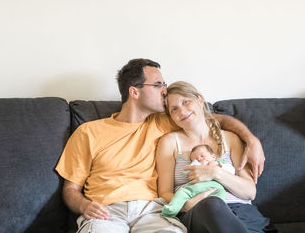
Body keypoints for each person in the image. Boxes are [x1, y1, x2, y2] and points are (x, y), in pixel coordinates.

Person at [55, 59, 265, 233]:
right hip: (107, 212)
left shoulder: (166, 120)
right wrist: (84, 206)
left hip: (152, 212)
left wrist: (251, 139)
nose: (165, 91)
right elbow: (71, 188)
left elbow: (212, 119)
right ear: (134, 92)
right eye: (158, 85)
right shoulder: (88, 132)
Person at [156, 81, 271, 233]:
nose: (182, 112)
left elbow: (250, 192)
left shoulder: (230, 139)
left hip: (241, 212)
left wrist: (215, 173)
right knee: (212, 204)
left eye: (186, 102)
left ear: (200, 99)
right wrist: (186, 204)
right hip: (198, 212)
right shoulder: (169, 142)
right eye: (174, 109)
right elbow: (164, 193)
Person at [162, 144, 235, 217]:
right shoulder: (196, 165)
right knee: (181, 193)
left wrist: (218, 167)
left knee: (221, 195)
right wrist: (199, 165)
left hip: (215, 189)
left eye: (202, 156)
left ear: (213, 157)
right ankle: (172, 209)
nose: (199, 159)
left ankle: (218, 211)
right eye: (196, 159)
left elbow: (232, 171)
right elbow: (186, 172)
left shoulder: (220, 163)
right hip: (193, 188)